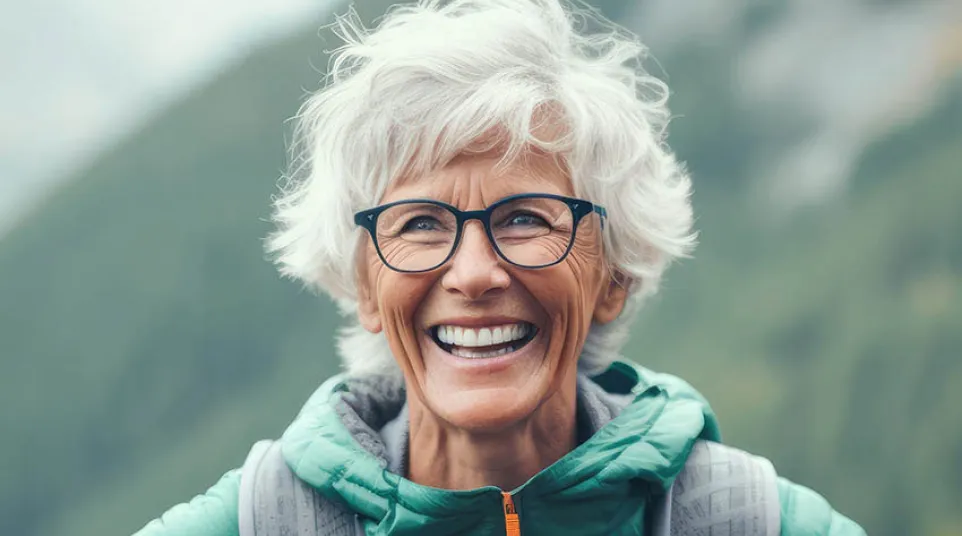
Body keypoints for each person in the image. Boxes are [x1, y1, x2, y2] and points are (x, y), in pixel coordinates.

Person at [134, 0, 865, 534]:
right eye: (420, 224)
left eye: (524, 219)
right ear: (363, 283)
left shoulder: (753, 523)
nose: (474, 273)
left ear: (613, 274)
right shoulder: (259, 524)